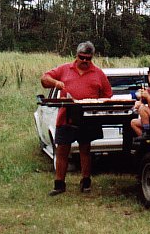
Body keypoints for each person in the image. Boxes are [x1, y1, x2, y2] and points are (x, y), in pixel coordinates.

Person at [40, 41, 112, 196]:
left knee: (85, 149)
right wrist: (56, 82)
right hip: (66, 116)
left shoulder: (98, 73)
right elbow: (44, 79)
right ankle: (59, 184)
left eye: (88, 58)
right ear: (76, 56)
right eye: (82, 57)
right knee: (62, 150)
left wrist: (96, 104)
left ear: (92, 58)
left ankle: (86, 181)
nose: (85, 61)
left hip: (87, 117)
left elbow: (108, 94)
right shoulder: (65, 69)